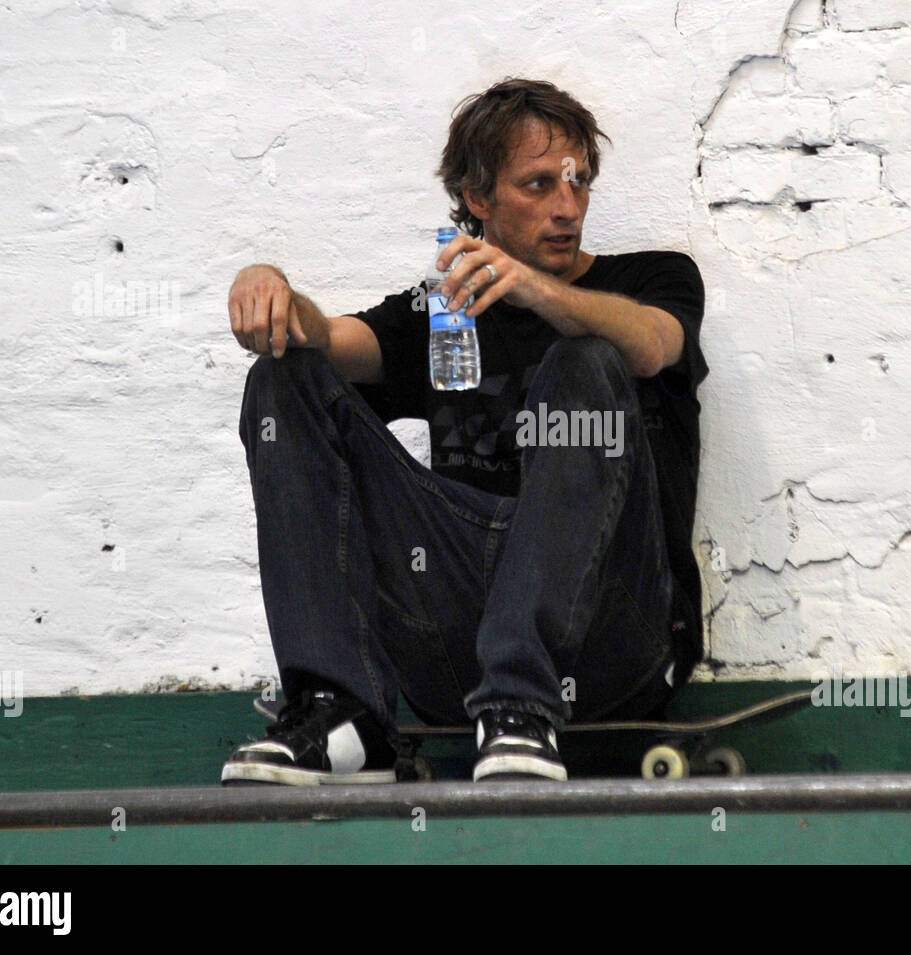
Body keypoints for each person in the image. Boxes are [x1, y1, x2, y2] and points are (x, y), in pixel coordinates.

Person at [221, 77, 708, 784]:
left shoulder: (654, 279)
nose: (567, 207)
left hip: (610, 634)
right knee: (283, 377)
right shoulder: (443, 308)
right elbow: (325, 338)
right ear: (478, 199)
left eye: (578, 182)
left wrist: (534, 289)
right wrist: (272, 285)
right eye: (538, 185)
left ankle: (523, 702)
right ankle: (342, 711)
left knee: (586, 362)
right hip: (455, 649)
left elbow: (652, 345)